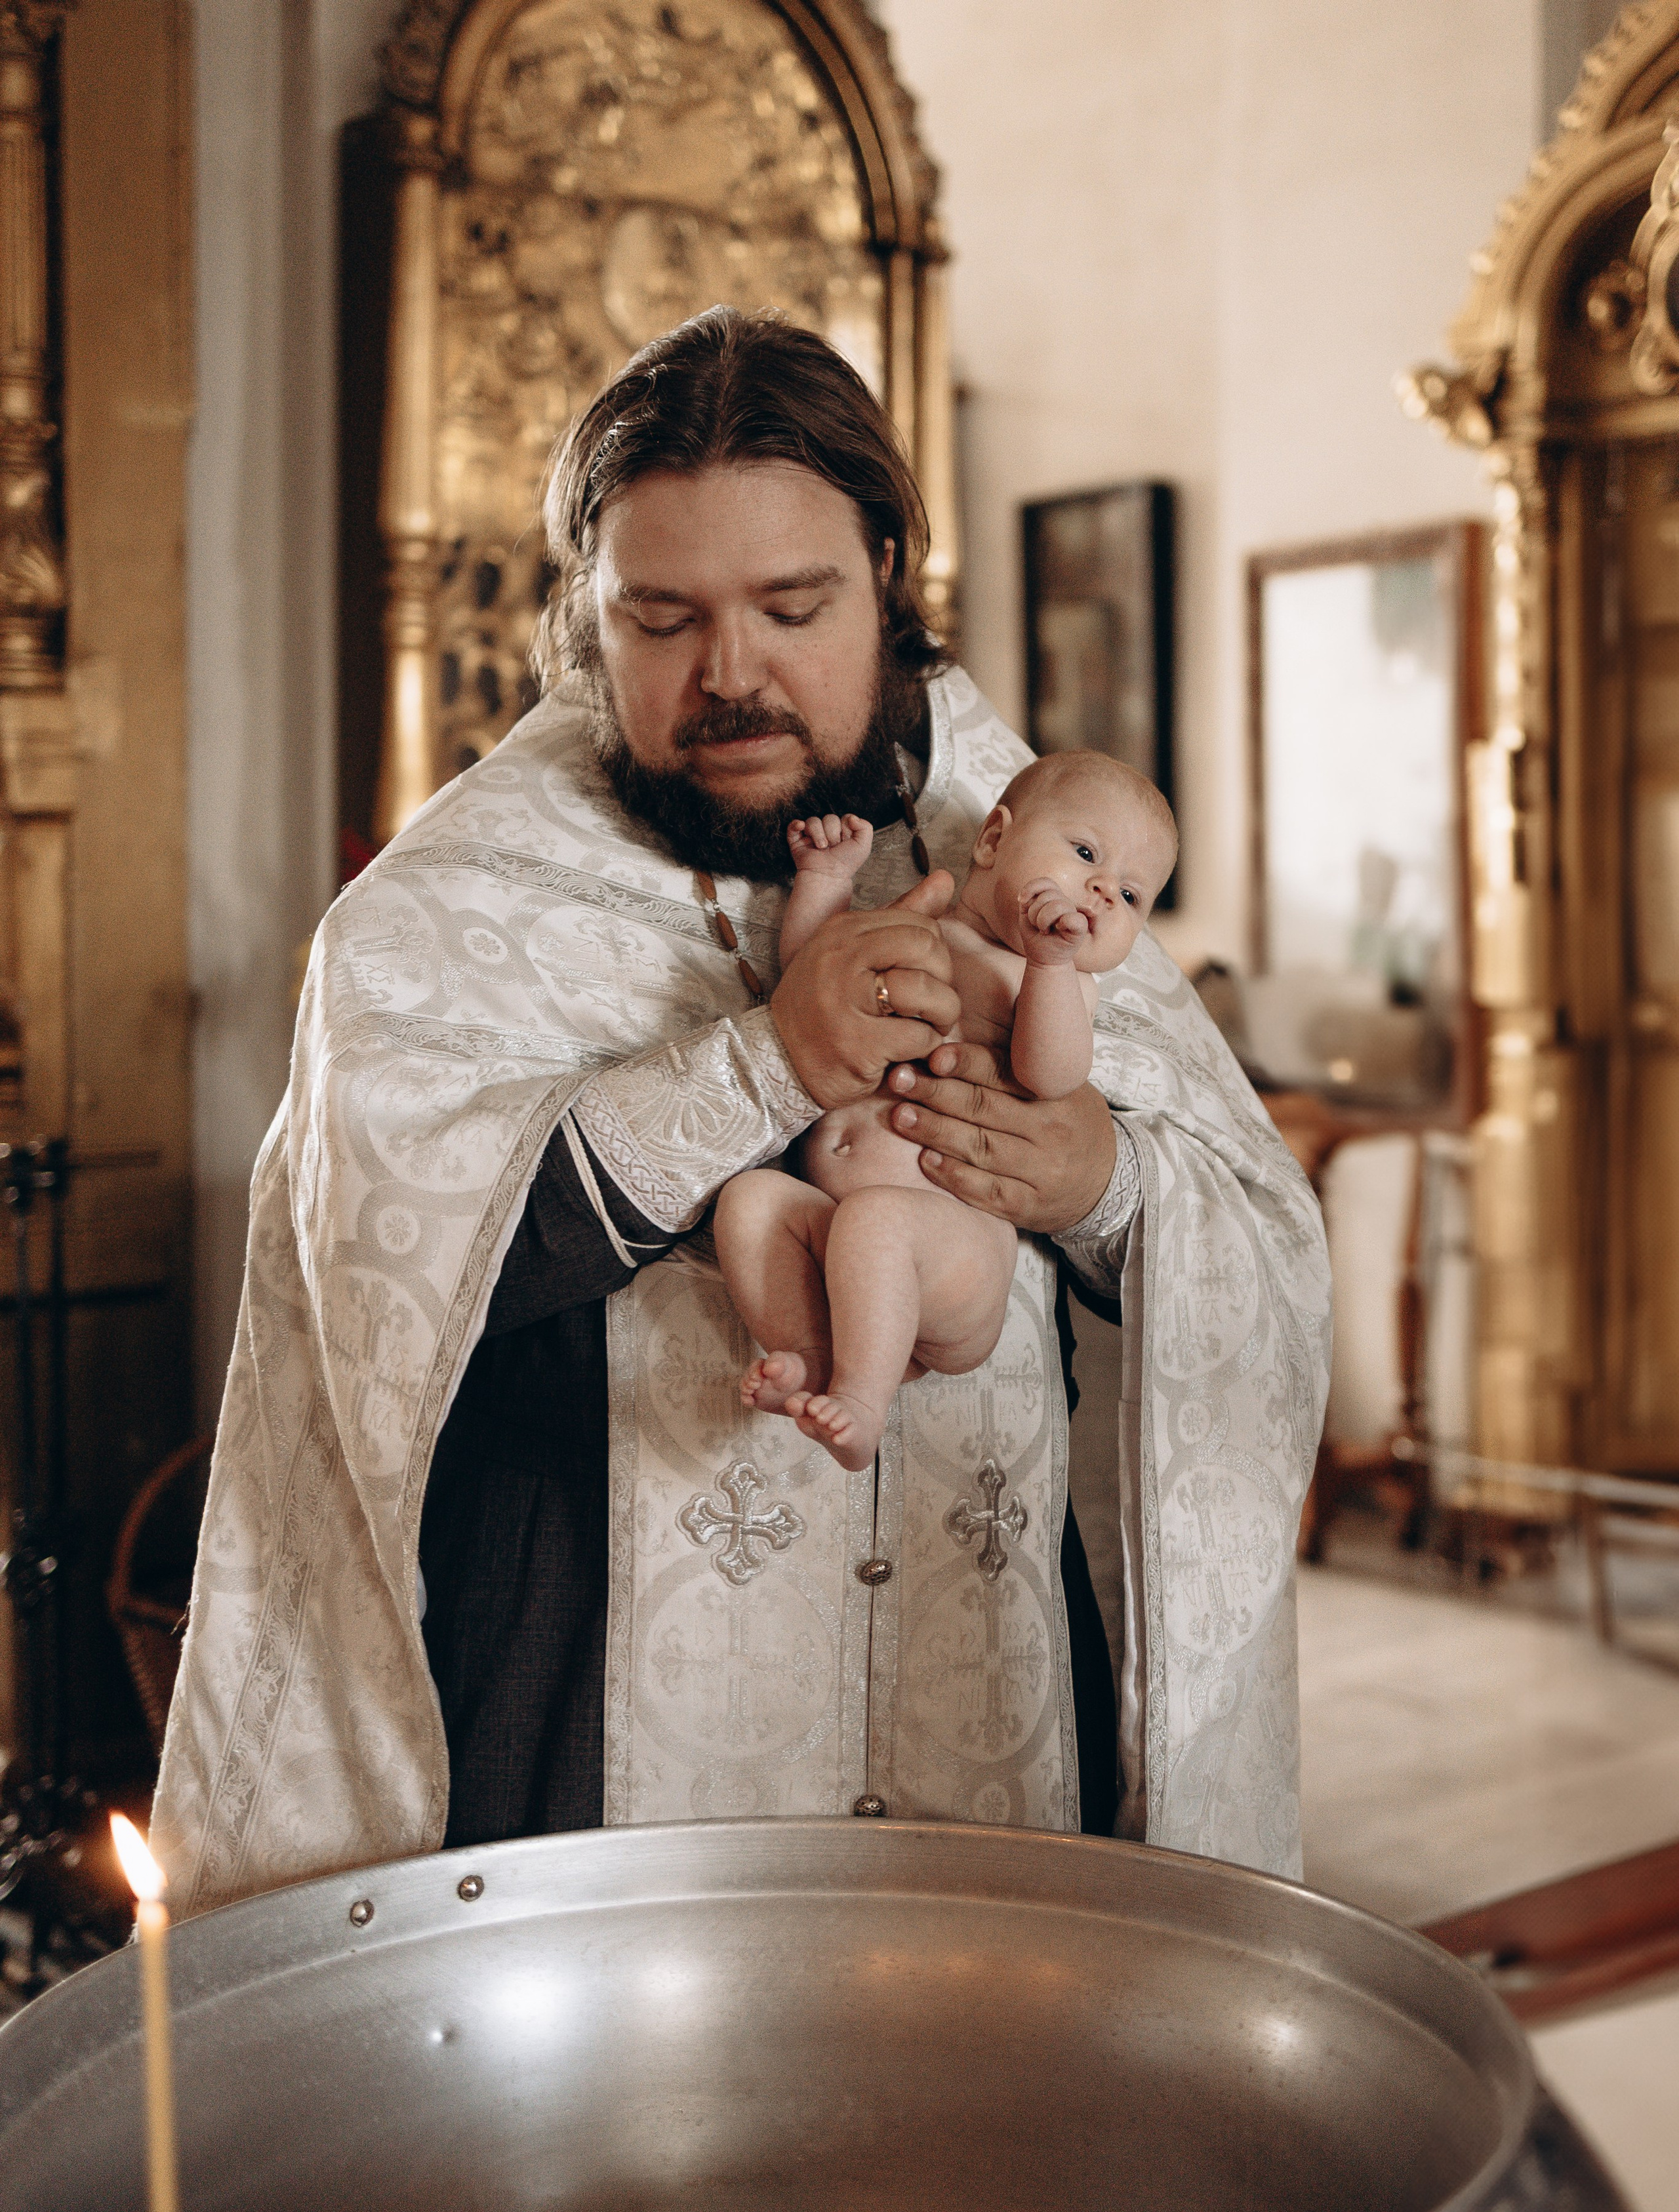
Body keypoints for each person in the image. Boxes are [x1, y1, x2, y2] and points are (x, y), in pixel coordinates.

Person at [152, 307, 1330, 1919]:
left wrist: (1099, 1177)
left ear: (888, 574)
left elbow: (1254, 1230)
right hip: (578, 1760)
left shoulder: (1032, 854)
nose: (731, 674)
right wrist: (764, 1062)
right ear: (588, 617)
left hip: (987, 1719)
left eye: (792, 606)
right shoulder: (441, 909)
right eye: (662, 617)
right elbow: (378, 1290)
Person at [717, 753, 1178, 1470]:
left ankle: (864, 1406)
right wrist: (827, 882)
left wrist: (1051, 967)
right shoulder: (915, 923)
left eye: (1129, 896)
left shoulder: (1053, 982)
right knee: (748, 1202)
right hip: (837, 1229)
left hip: (954, 1254)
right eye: (1085, 854)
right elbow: (812, 972)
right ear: (993, 840)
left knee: (876, 1221)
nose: (1099, 891)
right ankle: (812, 1362)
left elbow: (1051, 1074)